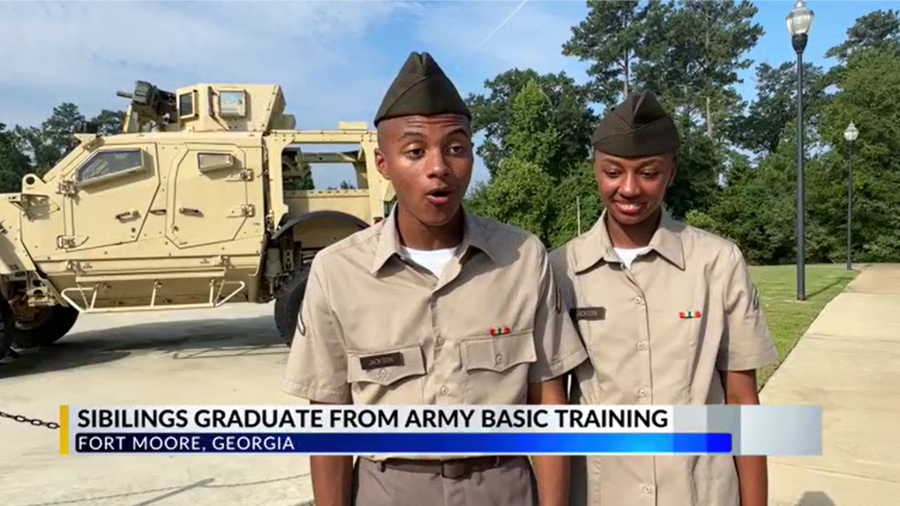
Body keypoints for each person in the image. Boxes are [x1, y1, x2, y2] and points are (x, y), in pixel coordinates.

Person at [281, 51, 589, 506]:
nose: (439, 166)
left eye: (456, 147)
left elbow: (548, 398)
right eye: (414, 151)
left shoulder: (522, 258)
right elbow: (328, 418)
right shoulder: (338, 271)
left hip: (502, 486)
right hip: (388, 488)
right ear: (383, 164)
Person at [550, 89, 778, 506]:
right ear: (594, 169)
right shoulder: (562, 269)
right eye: (613, 172)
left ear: (672, 171)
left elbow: (743, 399)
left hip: (700, 491)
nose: (630, 189)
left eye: (649, 172)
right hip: (602, 493)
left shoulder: (718, 263)